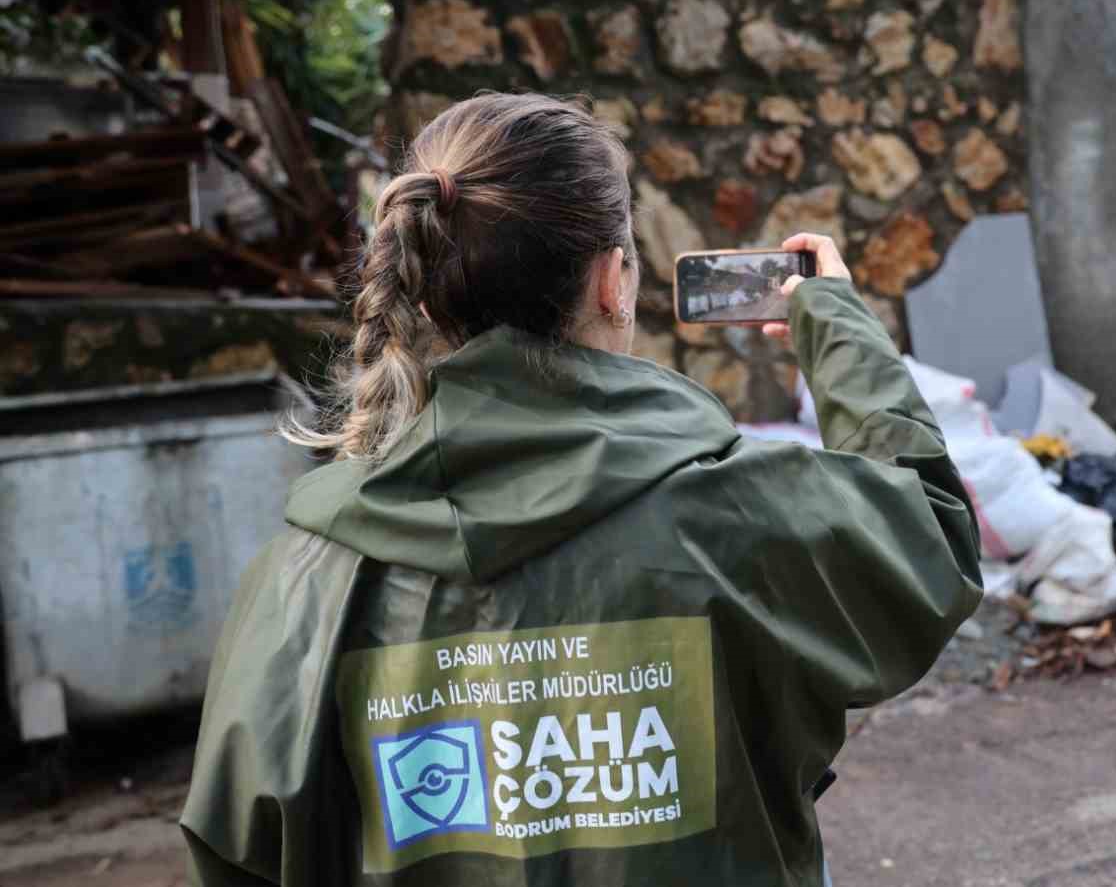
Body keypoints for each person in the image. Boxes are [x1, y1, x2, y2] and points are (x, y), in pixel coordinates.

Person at [180, 93, 983, 885]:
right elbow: (929, 533)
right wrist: (834, 324)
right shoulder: (741, 512)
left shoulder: (298, 581)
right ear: (613, 281)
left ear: (420, 290)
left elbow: (237, 847)